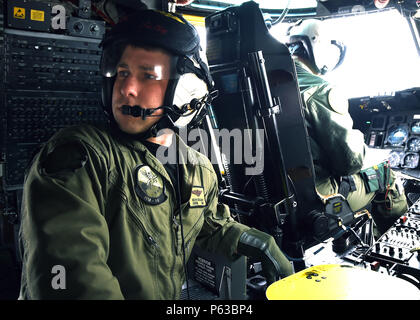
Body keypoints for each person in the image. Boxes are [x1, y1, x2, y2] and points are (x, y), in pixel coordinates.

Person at [18, 9, 293, 300]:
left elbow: (208, 224)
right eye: (123, 73)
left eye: (148, 76)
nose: (127, 89)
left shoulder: (195, 167)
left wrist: (250, 240)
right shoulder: (81, 157)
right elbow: (74, 277)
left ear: (186, 92)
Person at [285, 19, 408, 238]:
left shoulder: (272, 84)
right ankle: (386, 247)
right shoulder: (319, 90)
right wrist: (362, 143)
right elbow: (350, 163)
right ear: (318, 47)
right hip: (319, 195)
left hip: (282, 196)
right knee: (387, 175)